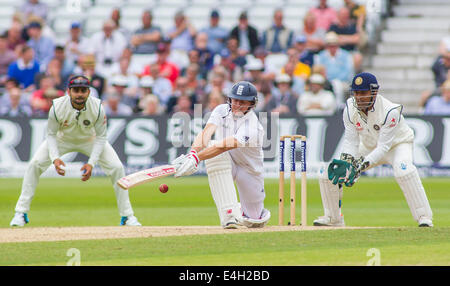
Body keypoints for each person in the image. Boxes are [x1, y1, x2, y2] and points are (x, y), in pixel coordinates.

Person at [10, 75, 141, 227]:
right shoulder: (57, 106)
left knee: (117, 168)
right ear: (69, 92)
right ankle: (21, 212)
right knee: (35, 164)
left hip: (89, 140)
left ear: (89, 92)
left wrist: (91, 163)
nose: (79, 94)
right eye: (76, 90)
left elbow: (101, 137)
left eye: (83, 90)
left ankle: (127, 215)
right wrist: (55, 158)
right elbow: (51, 134)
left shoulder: (97, 107)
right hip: (62, 139)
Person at [314, 72, 433, 227]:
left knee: (404, 170)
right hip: (369, 147)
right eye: (356, 93)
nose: (359, 97)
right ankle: (333, 218)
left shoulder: (391, 111)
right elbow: (351, 141)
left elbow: (384, 147)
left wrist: (359, 166)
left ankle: (424, 217)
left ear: (374, 92)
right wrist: (348, 162)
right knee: (326, 171)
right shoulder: (349, 108)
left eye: (363, 93)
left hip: (397, 145)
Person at [172, 81, 270, 229]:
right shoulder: (221, 110)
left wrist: (198, 158)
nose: (237, 105)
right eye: (235, 100)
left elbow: (225, 145)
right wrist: (192, 153)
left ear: (252, 104)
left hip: (249, 169)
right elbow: (206, 134)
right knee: (213, 148)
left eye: (242, 102)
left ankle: (242, 210)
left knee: (254, 221)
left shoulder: (253, 126)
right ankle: (229, 215)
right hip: (227, 161)